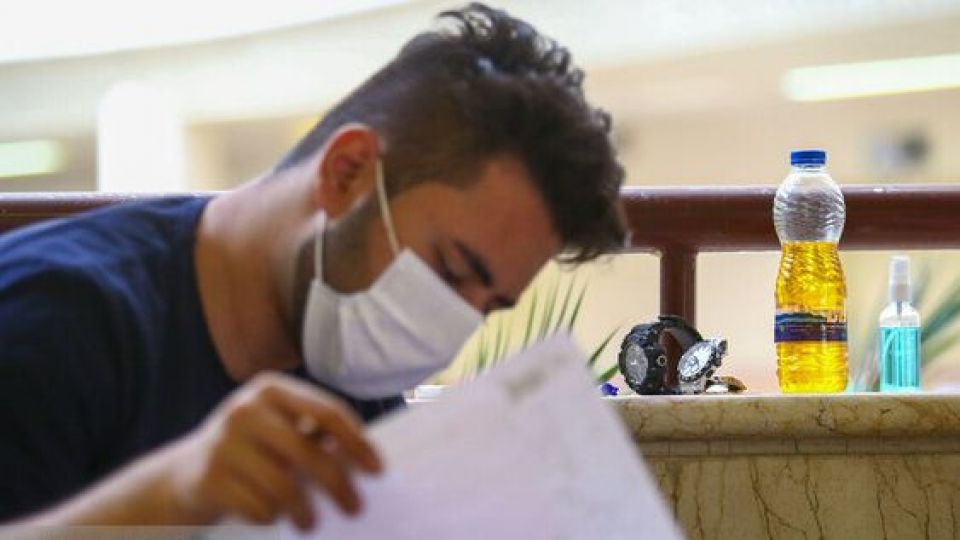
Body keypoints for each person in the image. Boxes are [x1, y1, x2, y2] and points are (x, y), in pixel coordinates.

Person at [0, 2, 625, 532]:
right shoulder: (57, 319)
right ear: (346, 174)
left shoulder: (356, 388)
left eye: (488, 307)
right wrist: (169, 497)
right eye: (449, 271)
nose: (449, 328)